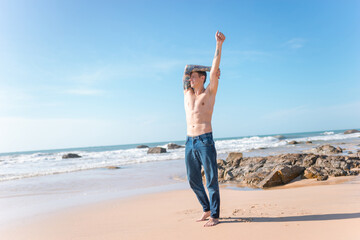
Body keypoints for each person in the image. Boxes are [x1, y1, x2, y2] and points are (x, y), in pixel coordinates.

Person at [182, 31, 225, 227]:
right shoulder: (187, 93)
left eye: (193, 77)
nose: (190, 79)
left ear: (202, 78)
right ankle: (206, 208)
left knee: (211, 180)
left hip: (205, 140)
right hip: (190, 142)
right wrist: (209, 69)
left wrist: (219, 44)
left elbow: (213, 69)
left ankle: (215, 215)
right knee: (192, 180)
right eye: (190, 77)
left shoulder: (209, 93)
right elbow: (186, 68)